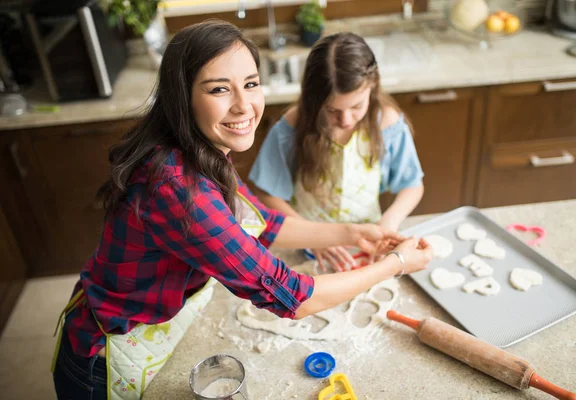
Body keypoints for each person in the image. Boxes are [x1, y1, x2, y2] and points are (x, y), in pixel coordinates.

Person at [51, 20, 433, 400]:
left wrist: (351, 233)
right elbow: (294, 297)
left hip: (142, 329)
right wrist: (394, 264)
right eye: (220, 89)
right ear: (181, 96)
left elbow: (254, 224)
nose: (244, 105)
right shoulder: (178, 189)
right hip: (101, 358)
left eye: (250, 84)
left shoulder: (196, 147)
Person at [249, 32, 425, 272]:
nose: (345, 119)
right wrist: (314, 237)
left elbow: (413, 185)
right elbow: (267, 193)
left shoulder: (388, 125)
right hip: (307, 245)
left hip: (369, 244)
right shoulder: (291, 128)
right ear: (314, 99)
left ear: (372, 87)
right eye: (332, 110)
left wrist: (389, 222)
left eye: (356, 106)